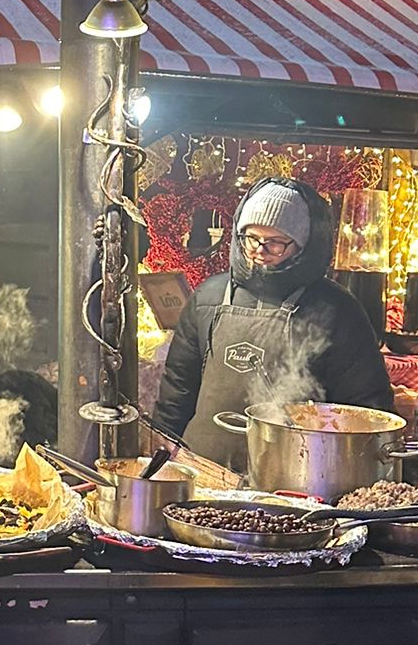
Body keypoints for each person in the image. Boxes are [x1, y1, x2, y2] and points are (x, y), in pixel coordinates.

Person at [152, 178, 393, 469]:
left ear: (303, 245)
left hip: (297, 477)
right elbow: (179, 386)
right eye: (251, 238)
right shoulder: (208, 298)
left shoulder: (336, 309)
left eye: (276, 242)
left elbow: (365, 408)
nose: (259, 250)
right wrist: (163, 442)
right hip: (202, 472)